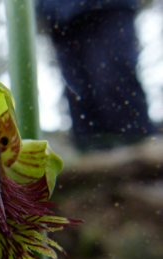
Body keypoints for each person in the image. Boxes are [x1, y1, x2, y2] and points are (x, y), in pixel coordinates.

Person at [36, 0, 158, 151]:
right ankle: (92, 151)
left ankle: (139, 148)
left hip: (108, 7)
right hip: (60, 14)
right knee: (78, 92)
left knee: (114, 79)